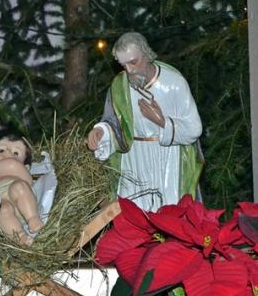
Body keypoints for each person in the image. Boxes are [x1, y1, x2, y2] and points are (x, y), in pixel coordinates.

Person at [86, 32, 204, 211]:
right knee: (133, 212)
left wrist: (163, 122)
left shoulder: (174, 83)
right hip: (133, 161)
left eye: (133, 62)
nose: (129, 70)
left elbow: (194, 129)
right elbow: (116, 124)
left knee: (166, 212)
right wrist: (101, 132)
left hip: (167, 161)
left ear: (147, 55)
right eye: (123, 65)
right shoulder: (120, 86)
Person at [0, 135, 44, 245]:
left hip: (23, 199)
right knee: (2, 209)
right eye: (1, 150)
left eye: (16, 153)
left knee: (19, 187)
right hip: (0, 201)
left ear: (26, 168)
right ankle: (20, 236)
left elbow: (12, 165)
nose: (7, 152)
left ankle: (33, 218)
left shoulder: (20, 172)